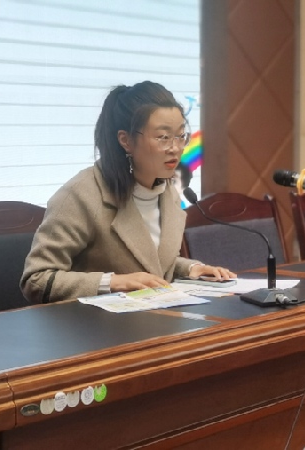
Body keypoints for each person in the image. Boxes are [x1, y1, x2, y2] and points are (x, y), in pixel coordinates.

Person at [21, 81, 236, 304]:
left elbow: (152, 264)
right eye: (163, 137)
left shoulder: (167, 191)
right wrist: (113, 282)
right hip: (96, 323)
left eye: (181, 135)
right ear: (126, 141)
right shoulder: (80, 195)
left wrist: (191, 268)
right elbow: (37, 280)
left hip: (156, 316)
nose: (176, 148)